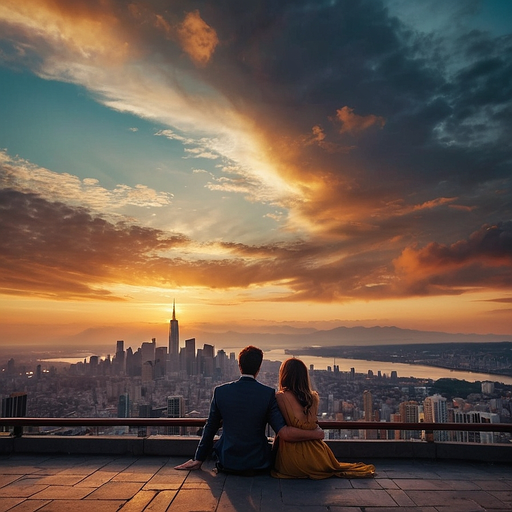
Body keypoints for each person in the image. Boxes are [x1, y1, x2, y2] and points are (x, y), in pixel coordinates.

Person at [174, 346, 324, 474]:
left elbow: (211, 427)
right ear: (259, 368)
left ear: (239, 366)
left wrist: (198, 458)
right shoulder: (267, 394)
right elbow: (282, 431)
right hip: (258, 463)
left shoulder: (221, 392)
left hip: (228, 462)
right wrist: (316, 433)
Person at [272, 357, 376, 479]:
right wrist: (317, 433)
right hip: (320, 458)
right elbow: (314, 426)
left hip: (292, 461)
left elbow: (285, 430)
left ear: (284, 375)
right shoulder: (313, 398)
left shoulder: (280, 397)